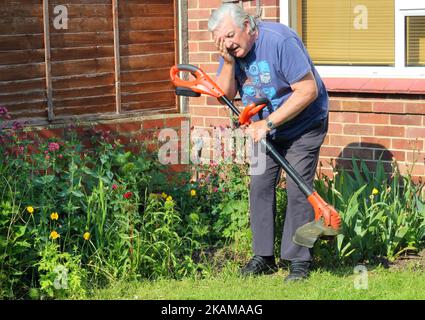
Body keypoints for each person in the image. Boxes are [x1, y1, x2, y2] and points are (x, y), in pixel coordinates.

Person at [208, 3, 329, 282]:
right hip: (265, 130)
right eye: (220, 39)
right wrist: (227, 63)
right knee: (260, 186)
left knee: (299, 189)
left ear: (248, 26)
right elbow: (224, 93)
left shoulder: (280, 41)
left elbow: (308, 90)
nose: (226, 44)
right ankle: (263, 256)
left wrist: (269, 122)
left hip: (303, 125)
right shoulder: (232, 53)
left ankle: (298, 260)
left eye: (229, 36)